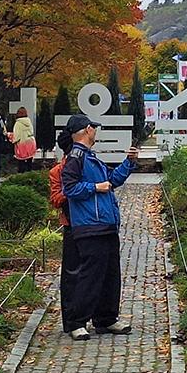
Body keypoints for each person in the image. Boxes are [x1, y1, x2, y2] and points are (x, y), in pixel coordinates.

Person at [61, 113, 139, 341]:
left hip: (105, 224)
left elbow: (112, 181)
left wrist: (129, 162)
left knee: (109, 274)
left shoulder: (90, 156)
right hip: (89, 225)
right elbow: (70, 188)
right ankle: (77, 322)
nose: (96, 131)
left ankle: (106, 319)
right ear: (87, 130)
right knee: (90, 275)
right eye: (94, 127)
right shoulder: (76, 156)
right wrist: (95, 187)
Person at [49, 128, 79, 334]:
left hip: (91, 225)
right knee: (71, 273)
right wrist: (73, 190)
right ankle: (71, 320)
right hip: (70, 225)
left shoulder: (87, 165)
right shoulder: (57, 171)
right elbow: (56, 199)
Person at [11, 107, 36, 173]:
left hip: (22, 145)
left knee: (21, 163)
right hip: (31, 144)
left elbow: (16, 136)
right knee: (29, 163)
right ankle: (30, 176)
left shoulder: (18, 123)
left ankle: (21, 178)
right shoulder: (29, 122)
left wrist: (9, 136)